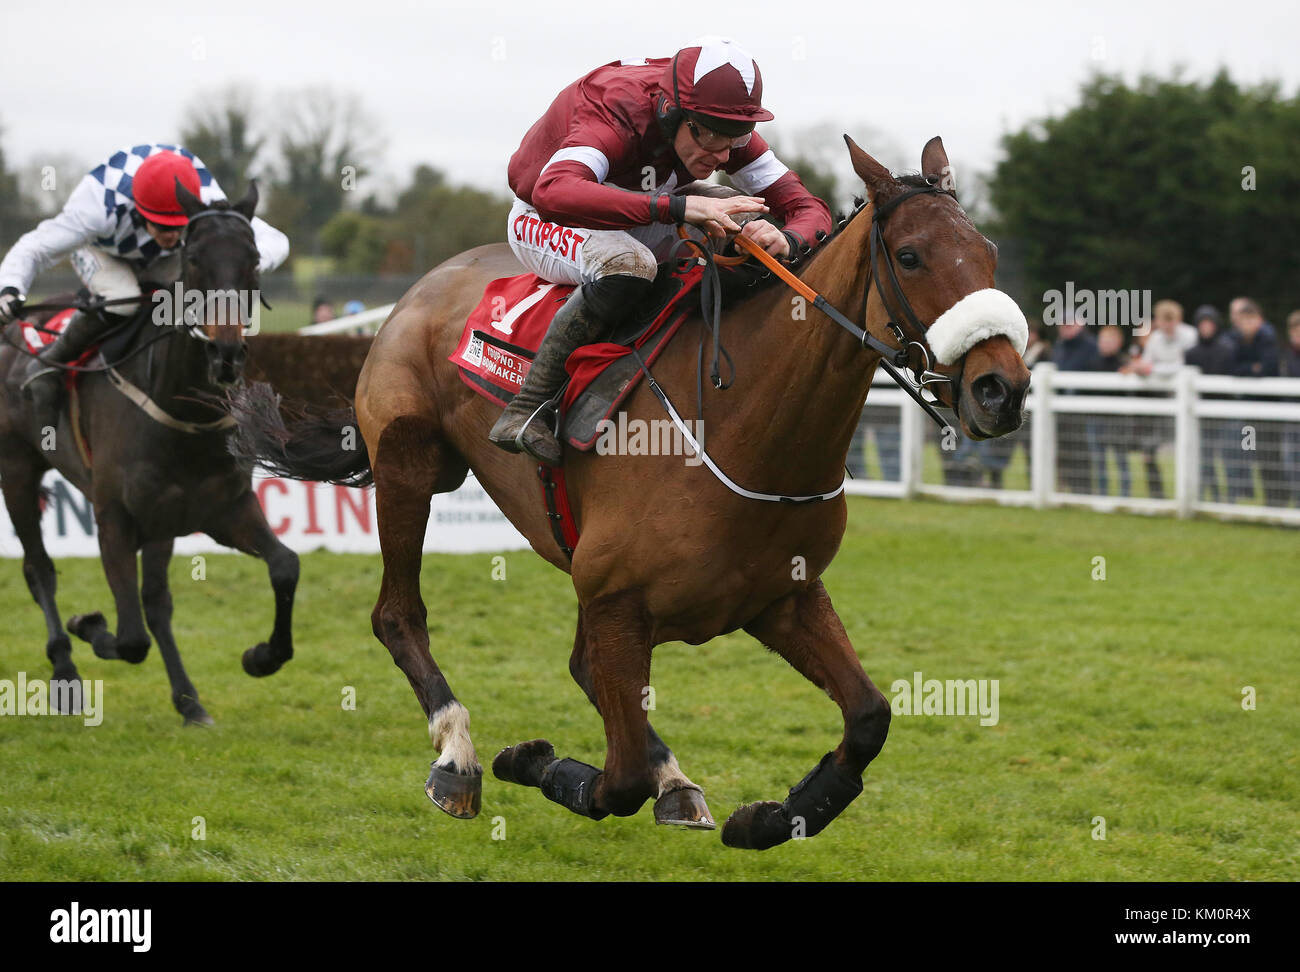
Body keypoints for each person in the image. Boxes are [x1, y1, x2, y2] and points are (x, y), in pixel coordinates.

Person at [489, 35, 833, 464]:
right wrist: (678, 207)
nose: (724, 154)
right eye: (713, 138)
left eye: (737, 137)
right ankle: (527, 407)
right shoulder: (615, 111)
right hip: (548, 217)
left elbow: (808, 208)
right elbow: (554, 191)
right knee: (631, 264)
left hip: (648, 206)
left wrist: (789, 237)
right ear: (673, 113)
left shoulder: (716, 125)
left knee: (743, 225)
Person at [0, 144, 289, 430]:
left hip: (167, 256)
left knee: (186, 295)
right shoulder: (95, 210)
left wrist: (239, 265)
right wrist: (10, 287)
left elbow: (277, 240)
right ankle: (50, 365)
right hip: (101, 250)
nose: (172, 235)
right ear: (139, 211)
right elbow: (33, 248)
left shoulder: (206, 198)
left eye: (179, 226)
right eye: (163, 227)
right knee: (124, 297)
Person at [1224, 297, 1281, 503]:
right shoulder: (1240, 341)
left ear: (1259, 319)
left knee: (1271, 456)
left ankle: (1278, 499)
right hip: (1250, 408)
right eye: (1243, 321)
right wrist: (1252, 369)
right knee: (1255, 453)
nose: (1246, 326)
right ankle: (1268, 498)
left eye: (1250, 320)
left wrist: (1250, 370)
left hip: (1269, 409)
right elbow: (1232, 368)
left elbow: (1267, 368)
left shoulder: (1267, 338)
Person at [1185, 305, 1234, 502]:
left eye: (1209, 324)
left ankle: (1231, 497)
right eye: (1202, 324)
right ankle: (1211, 497)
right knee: (1205, 459)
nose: (1206, 328)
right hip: (1200, 413)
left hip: (1224, 411)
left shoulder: (1227, 349)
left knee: (1228, 456)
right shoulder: (1191, 352)